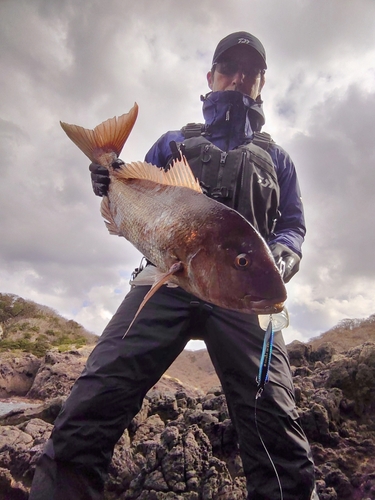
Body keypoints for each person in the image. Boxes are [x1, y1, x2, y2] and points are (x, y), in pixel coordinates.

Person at [30, 32, 318, 500]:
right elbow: (134, 194)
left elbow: (292, 223)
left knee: (276, 427)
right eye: (230, 68)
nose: (240, 78)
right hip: (163, 278)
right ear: (211, 76)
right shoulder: (173, 143)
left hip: (244, 297)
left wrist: (287, 248)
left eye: (251, 71)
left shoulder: (277, 159)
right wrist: (108, 176)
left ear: (262, 84)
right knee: (94, 400)